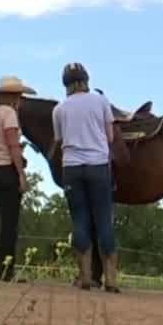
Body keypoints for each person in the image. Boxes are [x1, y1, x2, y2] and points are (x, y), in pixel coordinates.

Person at [51, 62, 120, 293]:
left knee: (80, 221)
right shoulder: (101, 101)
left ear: (66, 84)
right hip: (98, 166)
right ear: (86, 80)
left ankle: (85, 278)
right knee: (104, 220)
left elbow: (59, 141)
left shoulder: (59, 109)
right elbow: (110, 136)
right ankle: (111, 280)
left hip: (71, 168)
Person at [0, 75, 33, 282]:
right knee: (10, 224)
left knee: (4, 221)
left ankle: (1, 269)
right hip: (7, 170)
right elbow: (12, 145)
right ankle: (5, 270)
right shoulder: (9, 113)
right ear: (13, 96)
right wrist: (21, 173)